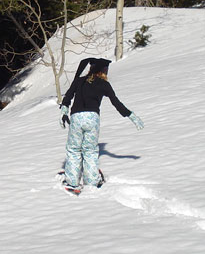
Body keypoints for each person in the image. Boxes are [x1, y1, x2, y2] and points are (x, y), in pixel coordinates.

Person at [59, 58, 144, 191]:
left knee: (74, 150)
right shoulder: (104, 84)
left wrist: (64, 112)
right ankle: (92, 182)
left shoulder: (79, 80)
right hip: (93, 119)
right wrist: (131, 116)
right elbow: (116, 102)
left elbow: (68, 97)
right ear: (104, 71)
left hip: (76, 118)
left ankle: (72, 182)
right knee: (90, 151)